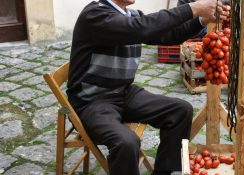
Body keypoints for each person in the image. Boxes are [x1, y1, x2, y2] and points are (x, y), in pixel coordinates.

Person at [66, 0, 227, 174]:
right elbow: (139, 28)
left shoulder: (131, 15)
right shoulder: (95, 15)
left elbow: (170, 34)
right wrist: (193, 8)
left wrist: (200, 20)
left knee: (181, 111)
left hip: (123, 92)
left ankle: (166, 172)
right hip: (92, 101)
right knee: (126, 142)